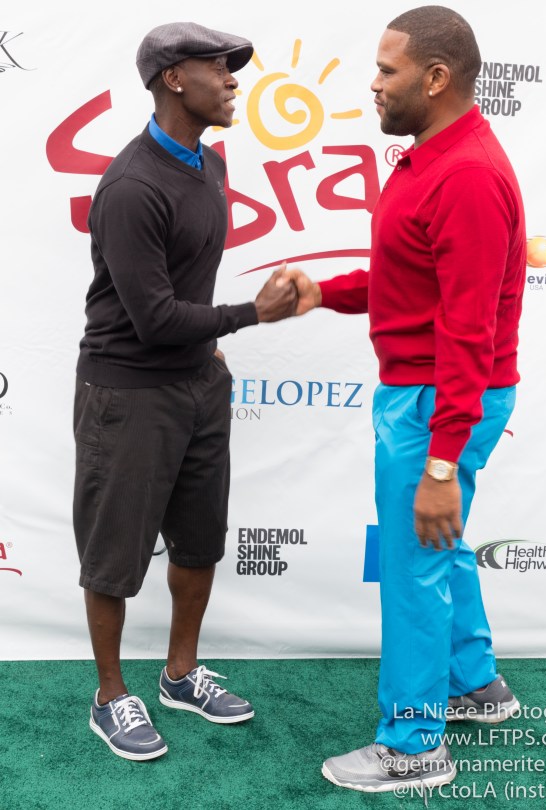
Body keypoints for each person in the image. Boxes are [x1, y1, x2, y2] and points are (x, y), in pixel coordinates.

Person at [285, 5, 526, 793]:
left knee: (416, 564)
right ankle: (476, 684)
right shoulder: (430, 159)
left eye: (387, 71)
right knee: (439, 549)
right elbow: (406, 285)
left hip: (439, 400)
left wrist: (442, 461)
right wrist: (323, 292)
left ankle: (415, 743)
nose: (374, 84)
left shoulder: (466, 176)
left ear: (436, 77)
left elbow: (467, 330)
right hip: (432, 394)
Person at [73, 22, 297, 761]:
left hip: (199, 381)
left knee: (200, 541)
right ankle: (110, 695)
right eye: (218, 67)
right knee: (114, 554)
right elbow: (154, 318)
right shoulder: (132, 187)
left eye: (234, 68)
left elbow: (184, 297)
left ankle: (179, 674)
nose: (233, 80)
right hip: (128, 391)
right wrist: (251, 314)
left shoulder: (210, 164)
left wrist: (212, 348)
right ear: (173, 79)